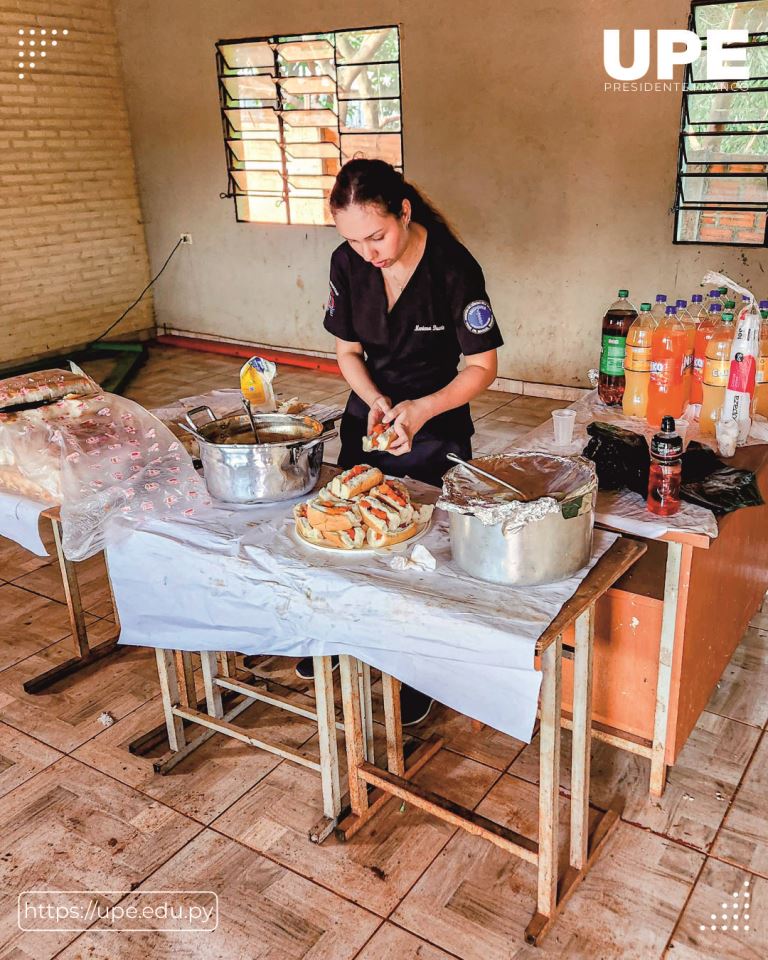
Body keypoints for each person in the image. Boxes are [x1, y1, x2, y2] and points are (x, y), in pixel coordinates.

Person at [295, 158, 503, 725]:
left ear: (404, 212)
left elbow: (482, 366)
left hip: (437, 423)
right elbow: (347, 353)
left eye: (378, 235)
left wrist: (422, 409)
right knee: (353, 529)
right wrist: (378, 402)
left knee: (423, 554)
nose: (369, 253)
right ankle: (340, 637)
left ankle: (417, 668)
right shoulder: (347, 262)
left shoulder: (453, 268)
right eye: (355, 240)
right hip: (371, 416)